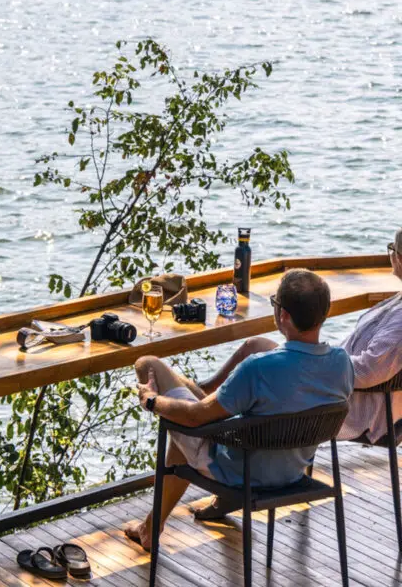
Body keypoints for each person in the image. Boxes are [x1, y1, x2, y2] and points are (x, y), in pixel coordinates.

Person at [125, 268, 353, 549]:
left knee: (148, 364)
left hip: (238, 473)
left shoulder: (259, 369)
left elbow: (195, 418)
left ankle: (151, 527)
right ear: (324, 313)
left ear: (283, 315)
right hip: (291, 471)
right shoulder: (342, 363)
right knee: (234, 363)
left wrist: (152, 401)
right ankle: (152, 525)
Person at [190, 229, 402, 520]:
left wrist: (321, 363)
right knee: (254, 347)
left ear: (399, 259)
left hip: (349, 408)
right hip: (331, 382)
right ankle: (205, 395)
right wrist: (320, 357)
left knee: (260, 380)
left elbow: (369, 370)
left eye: (391, 249)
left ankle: (204, 413)